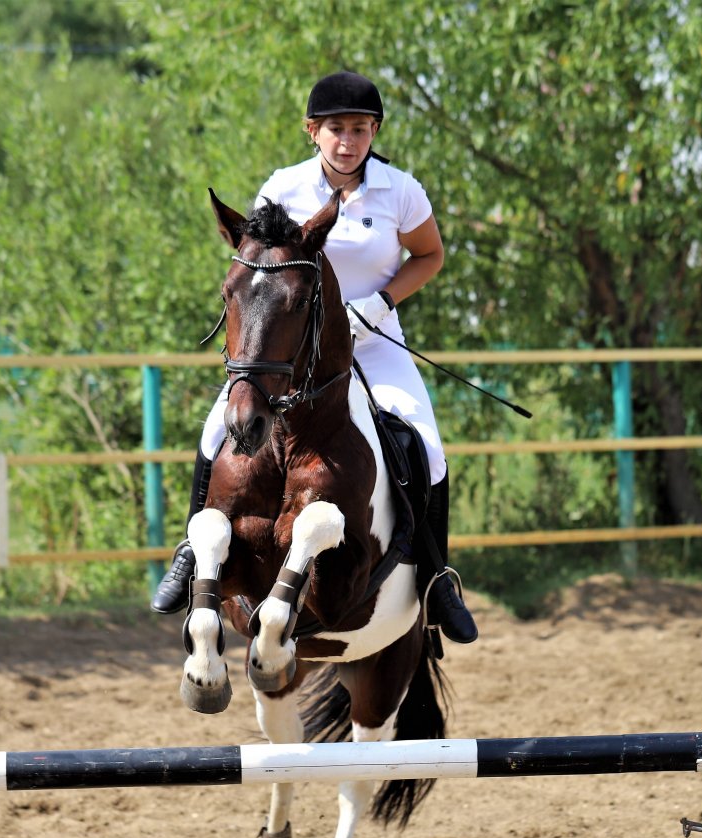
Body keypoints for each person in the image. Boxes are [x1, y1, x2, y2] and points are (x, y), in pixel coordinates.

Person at [151, 71, 477, 645]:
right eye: (335, 129)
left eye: (360, 129)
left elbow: (430, 256)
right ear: (312, 131)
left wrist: (379, 304)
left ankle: (435, 578)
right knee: (215, 432)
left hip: (374, 342)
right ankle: (190, 551)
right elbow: (255, 264)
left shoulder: (401, 191)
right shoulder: (283, 187)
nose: (347, 141)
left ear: (374, 132)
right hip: (292, 351)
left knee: (427, 445)